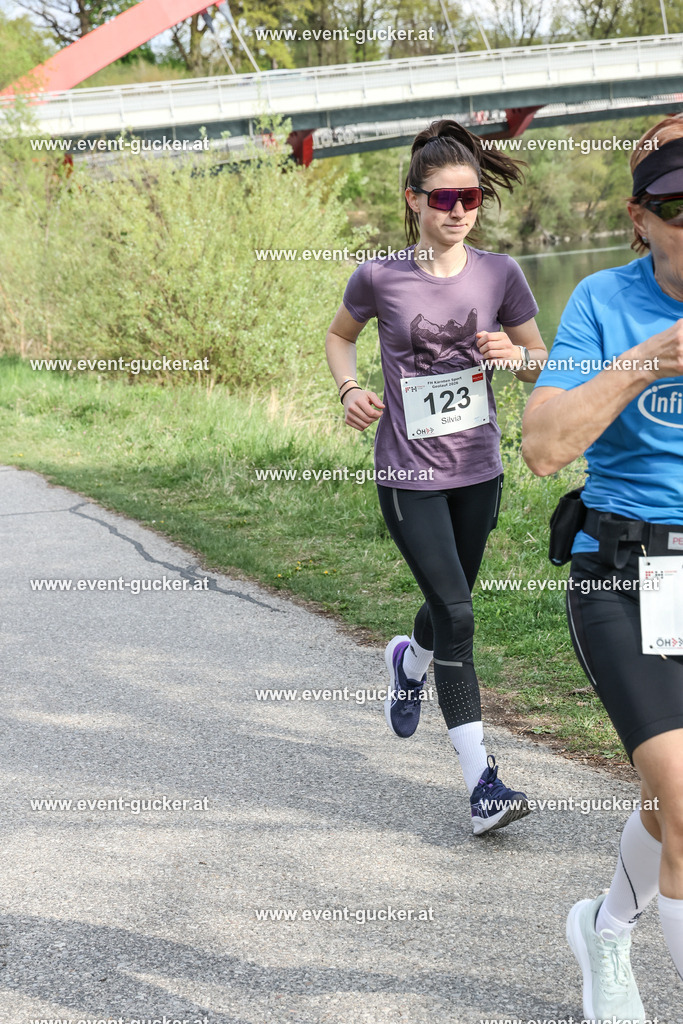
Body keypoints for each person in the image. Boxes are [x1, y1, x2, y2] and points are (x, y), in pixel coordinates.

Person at [325, 118, 548, 834]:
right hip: (406, 472)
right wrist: (348, 388)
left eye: (471, 198)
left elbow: (538, 355)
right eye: (443, 198)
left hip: (478, 470)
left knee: (446, 605)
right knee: (457, 614)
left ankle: (407, 661)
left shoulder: (500, 273)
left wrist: (512, 359)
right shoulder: (379, 277)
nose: (457, 211)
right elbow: (338, 336)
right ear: (413, 200)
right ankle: (482, 784)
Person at [522, 114, 683, 1021]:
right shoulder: (600, 301)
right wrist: (646, 359)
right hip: (629, 573)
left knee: (668, 809)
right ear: (640, 217)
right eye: (677, 205)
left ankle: (604, 929)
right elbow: (544, 448)